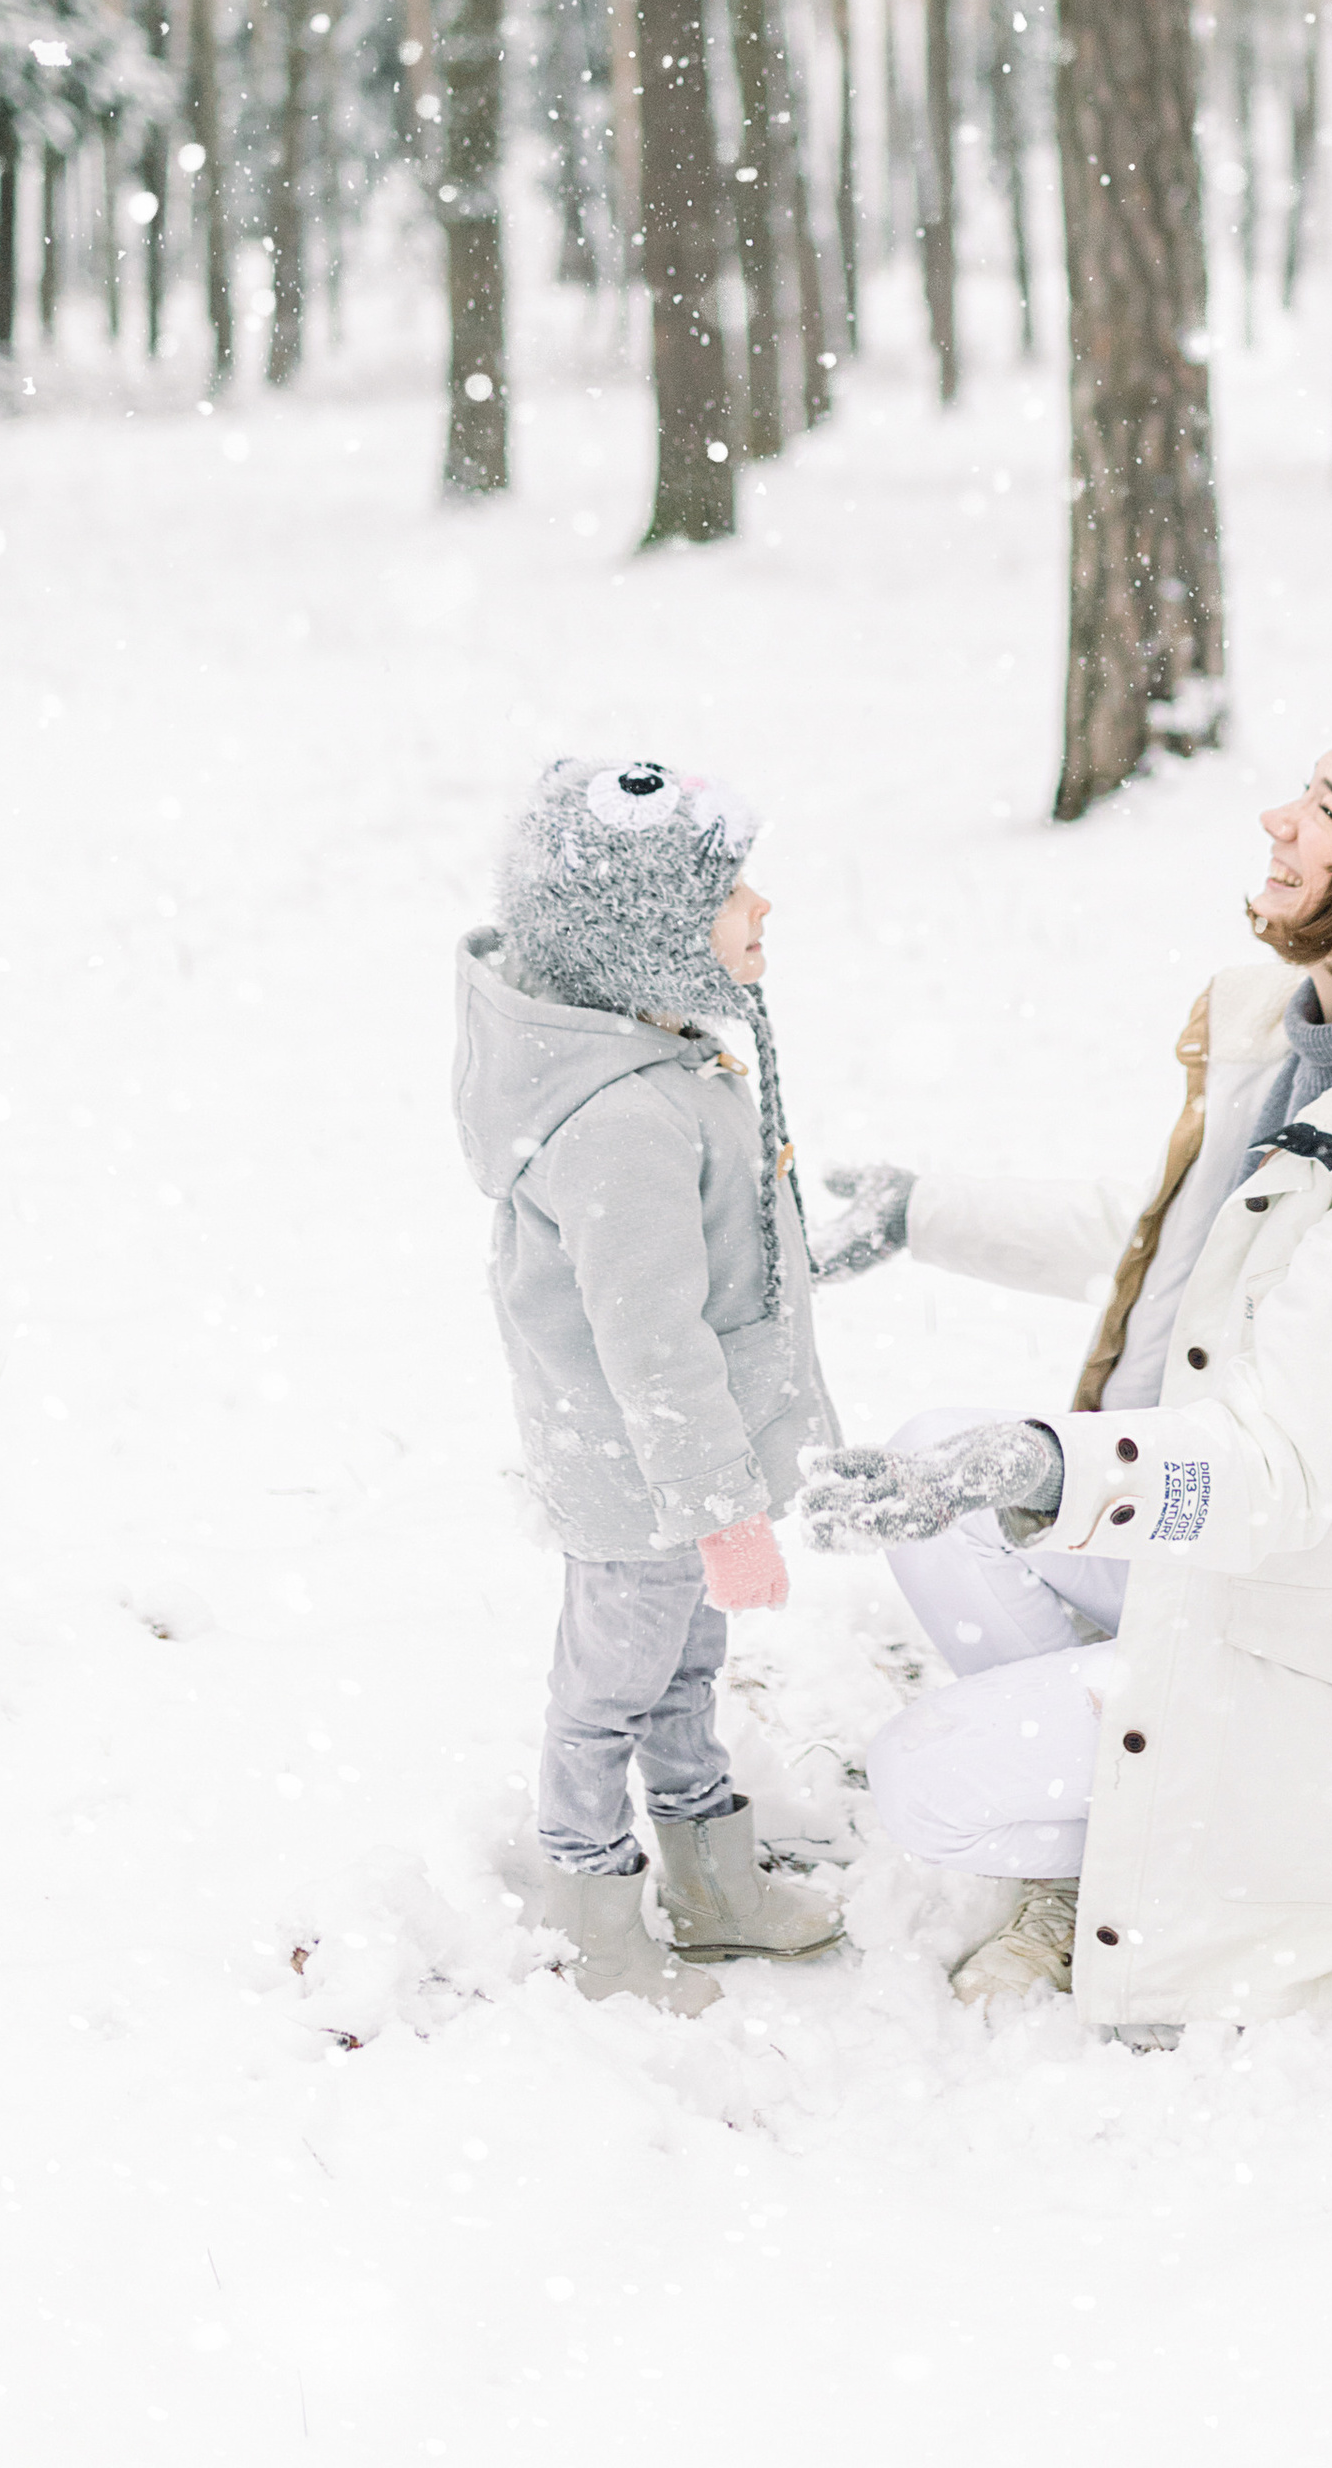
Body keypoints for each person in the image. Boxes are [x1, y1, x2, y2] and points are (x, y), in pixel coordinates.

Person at [803, 710, 1332, 2032]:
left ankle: (1128, 1855)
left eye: (1324, 808)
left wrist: (1045, 1464)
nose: (1276, 823)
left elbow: (1278, 1464)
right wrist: (925, 1213)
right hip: (1234, 1563)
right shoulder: (1313, 1041)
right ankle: (1118, 1771)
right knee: (939, 1459)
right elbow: (1170, 1243)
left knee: (930, 1783)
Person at [454, 756, 845, 2009]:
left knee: (682, 1671)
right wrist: (719, 1513)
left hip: (683, 1475)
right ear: (647, 941)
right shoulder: (623, 1119)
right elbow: (651, 1345)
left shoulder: (669, 1060)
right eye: (732, 890)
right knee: (611, 1687)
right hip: (644, 1483)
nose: (762, 908)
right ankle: (590, 1908)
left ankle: (709, 1880)